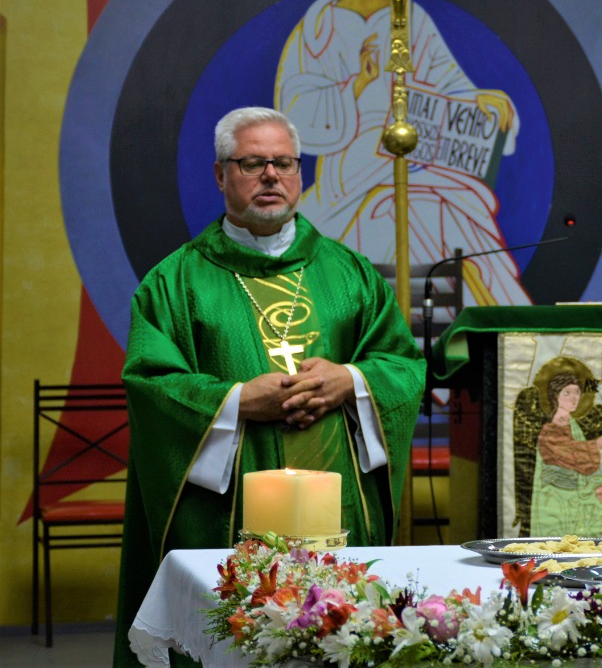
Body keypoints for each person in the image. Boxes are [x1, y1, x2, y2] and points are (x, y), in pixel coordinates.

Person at [114, 108, 426, 666]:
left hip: (338, 506)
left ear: (299, 173)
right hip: (225, 509)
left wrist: (349, 381)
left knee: (344, 639)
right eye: (252, 163)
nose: (270, 176)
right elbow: (151, 384)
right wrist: (236, 403)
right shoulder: (174, 282)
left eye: (282, 163)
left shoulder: (349, 273)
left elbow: (401, 364)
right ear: (220, 175)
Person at [276, 0, 530, 307]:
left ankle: (455, 339)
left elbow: (447, 84)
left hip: (416, 163)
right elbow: (295, 107)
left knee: (437, 211)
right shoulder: (320, 23)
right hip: (348, 171)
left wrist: (477, 100)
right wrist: (356, 85)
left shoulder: (411, 18)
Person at [530, 373, 602, 535]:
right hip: (555, 500)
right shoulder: (550, 431)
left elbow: (584, 462)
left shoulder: (573, 425)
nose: (574, 398)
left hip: (575, 497)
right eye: (567, 393)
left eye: (577, 392)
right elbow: (578, 454)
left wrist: (599, 486)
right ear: (556, 397)